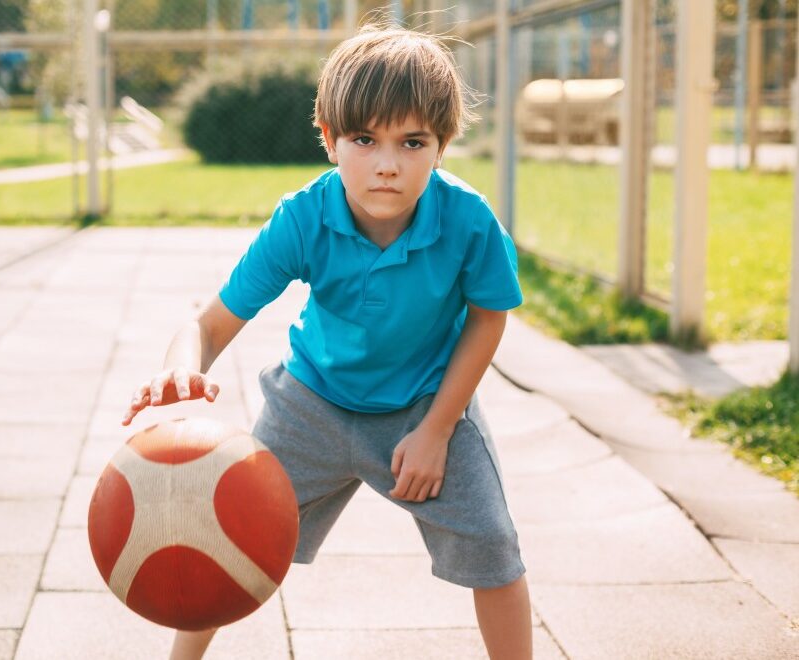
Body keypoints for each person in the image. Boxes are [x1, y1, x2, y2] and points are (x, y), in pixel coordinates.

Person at [123, 23, 532, 660]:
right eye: (364, 139)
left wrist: (438, 429)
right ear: (329, 139)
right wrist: (179, 370)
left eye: (413, 141)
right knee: (222, 538)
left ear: (443, 145)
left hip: (426, 405)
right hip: (311, 404)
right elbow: (207, 325)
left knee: (495, 546)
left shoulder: (469, 221)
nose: (388, 163)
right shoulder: (303, 218)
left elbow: (488, 317)